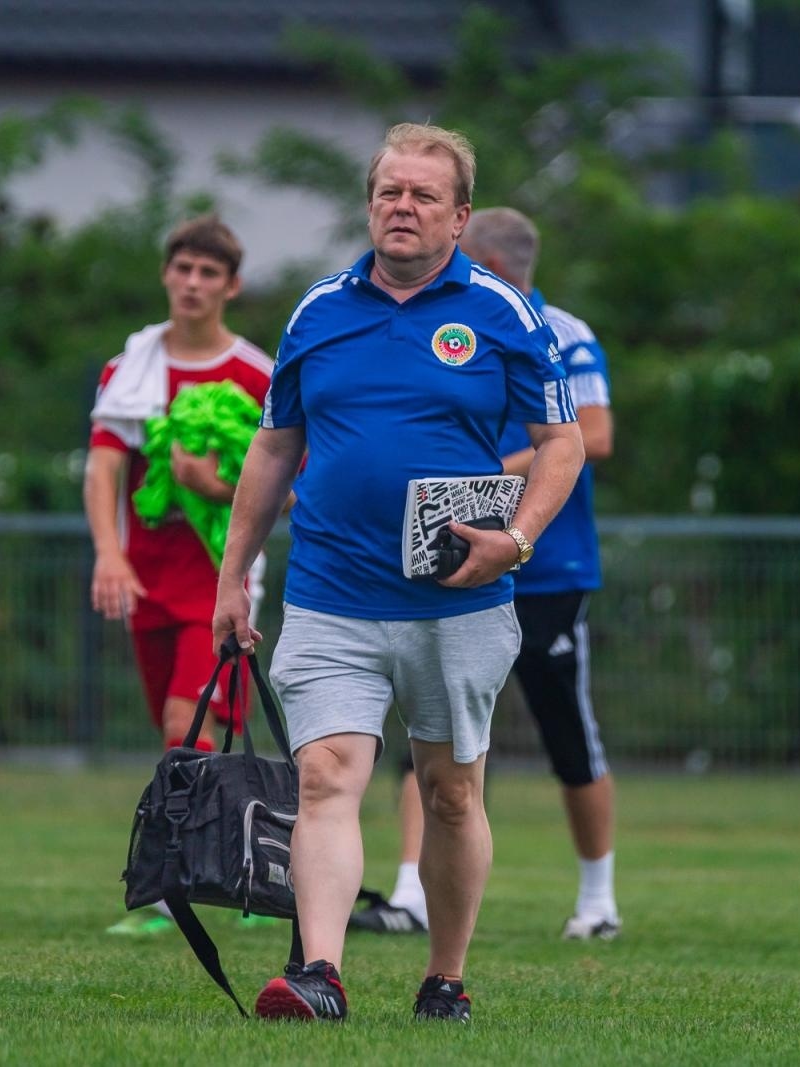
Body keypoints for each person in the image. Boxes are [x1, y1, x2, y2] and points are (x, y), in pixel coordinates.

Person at [212, 122, 585, 1024]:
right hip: (332, 592)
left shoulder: (504, 312)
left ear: (459, 217)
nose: (402, 208)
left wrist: (519, 538)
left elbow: (561, 442)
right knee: (328, 777)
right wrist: (234, 576)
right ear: (370, 204)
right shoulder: (318, 311)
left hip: (456, 603)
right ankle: (321, 975)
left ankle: (444, 977)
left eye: (423, 195)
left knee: (452, 793)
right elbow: (273, 449)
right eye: (389, 192)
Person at [350, 207, 621, 941]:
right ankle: (410, 890)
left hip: (546, 565)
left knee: (566, 724)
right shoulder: (435, 318)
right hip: (448, 560)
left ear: (492, 264)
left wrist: (493, 478)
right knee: (431, 725)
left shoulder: (561, 329)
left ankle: (598, 900)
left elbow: (591, 435)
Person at [84, 214, 274, 937]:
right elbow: (103, 468)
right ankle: (249, 861)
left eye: (208, 273)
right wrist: (110, 551)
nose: (192, 283)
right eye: (182, 269)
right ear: (167, 274)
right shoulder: (128, 368)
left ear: (232, 285)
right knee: (184, 731)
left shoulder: (256, 371)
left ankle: (172, 889)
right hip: (148, 576)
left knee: (181, 724)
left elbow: (290, 484)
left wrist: (216, 486)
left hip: (219, 577)